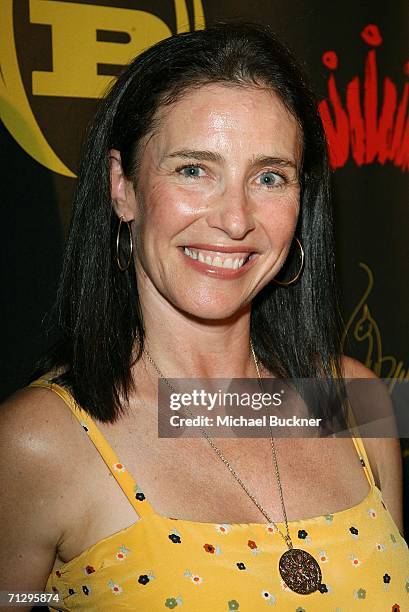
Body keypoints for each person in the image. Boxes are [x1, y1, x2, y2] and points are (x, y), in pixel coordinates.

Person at [0, 22, 408, 612]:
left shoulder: (354, 399)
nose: (236, 219)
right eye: (194, 169)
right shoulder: (37, 444)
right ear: (123, 186)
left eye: (270, 177)